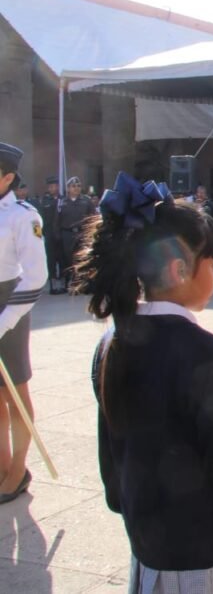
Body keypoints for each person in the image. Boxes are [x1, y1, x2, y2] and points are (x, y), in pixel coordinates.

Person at [73, 172, 213, 591]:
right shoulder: (202, 350)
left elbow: (111, 451)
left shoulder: (112, 341)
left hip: (148, 544)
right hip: (207, 552)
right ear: (180, 269)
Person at [0, 142, 47, 504]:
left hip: (10, 305)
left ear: (7, 177)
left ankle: (18, 469)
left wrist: (4, 322)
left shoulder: (23, 216)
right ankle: (1, 462)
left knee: (15, 390)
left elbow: (35, 277)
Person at [57, 176, 94, 290]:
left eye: (78, 186)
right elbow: (57, 220)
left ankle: (82, 283)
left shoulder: (86, 201)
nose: (76, 188)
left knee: (82, 258)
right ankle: (70, 282)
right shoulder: (61, 202)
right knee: (69, 259)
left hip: (82, 233)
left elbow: (92, 217)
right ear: (68, 188)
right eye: (73, 186)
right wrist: (57, 235)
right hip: (67, 234)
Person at [37, 177, 63, 294]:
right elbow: (38, 219)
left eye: (56, 186)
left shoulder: (63, 199)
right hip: (49, 233)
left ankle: (63, 283)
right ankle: (53, 285)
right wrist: (39, 235)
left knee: (62, 258)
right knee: (51, 259)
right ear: (48, 188)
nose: (54, 188)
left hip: (61, 233)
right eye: (52, 186)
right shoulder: (44, 201)